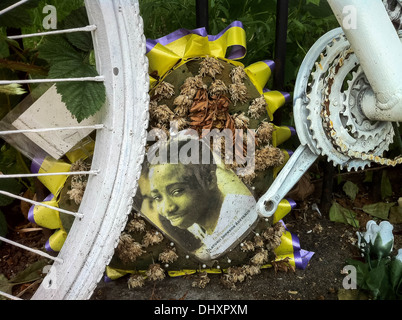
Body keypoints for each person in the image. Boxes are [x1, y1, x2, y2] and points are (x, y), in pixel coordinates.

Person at [138, 135, 257, 262]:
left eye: (177, 191)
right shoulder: (197, 227)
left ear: (209, 180)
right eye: (157, 197)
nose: (167, 208)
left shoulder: (240, 214)